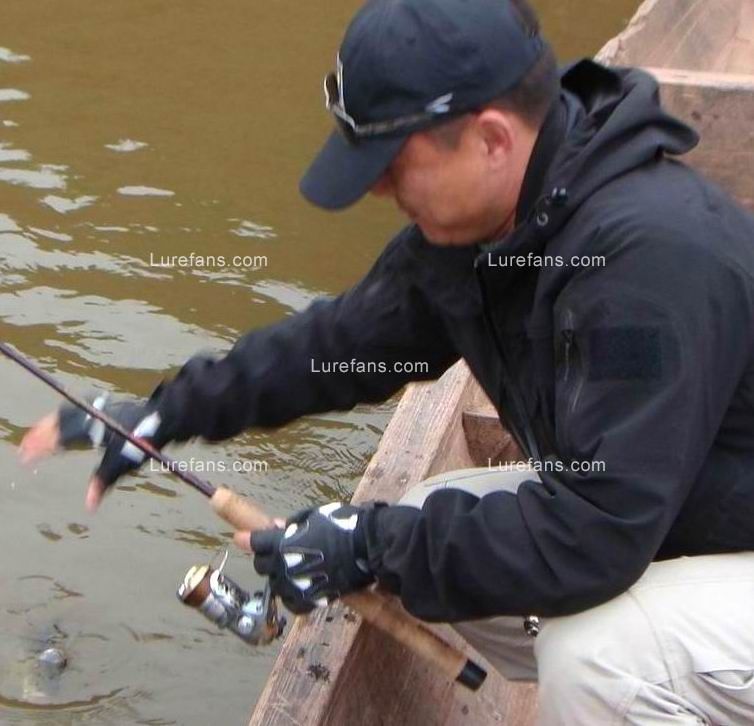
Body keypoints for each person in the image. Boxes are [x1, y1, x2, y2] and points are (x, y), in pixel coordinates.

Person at [20, 0, 754, 722]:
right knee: (432, 518)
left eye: (392, 162)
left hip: (687, 536)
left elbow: (597, 531)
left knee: (599, 660)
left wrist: (367, 545)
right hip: (688, 514)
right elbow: (339, 350)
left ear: (492, 140)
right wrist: (166, 413)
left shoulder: (646, 265)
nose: (375, 188)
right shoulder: (494, 228)